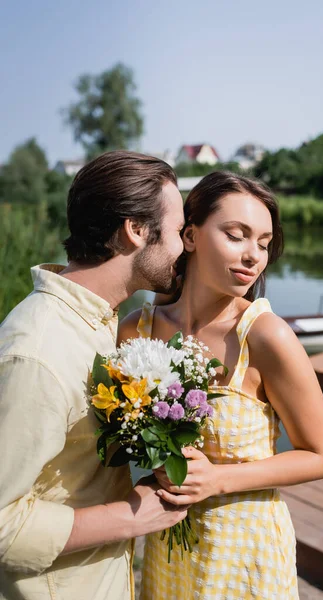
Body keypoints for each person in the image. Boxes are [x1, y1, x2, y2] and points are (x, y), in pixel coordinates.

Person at [119, 171, 323, 600]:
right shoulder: (136, 331)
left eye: (263, 242)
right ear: (191, 236)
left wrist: (217, 479)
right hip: (167, 545)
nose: (253, 255)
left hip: (246, 552)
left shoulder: (264, 334)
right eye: (236, 235)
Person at [0, 151, 188, 600]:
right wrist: (132, 517)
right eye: (179, 232)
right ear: (136, 230)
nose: (185, 247)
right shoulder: (38, 353)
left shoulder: (100, 322)